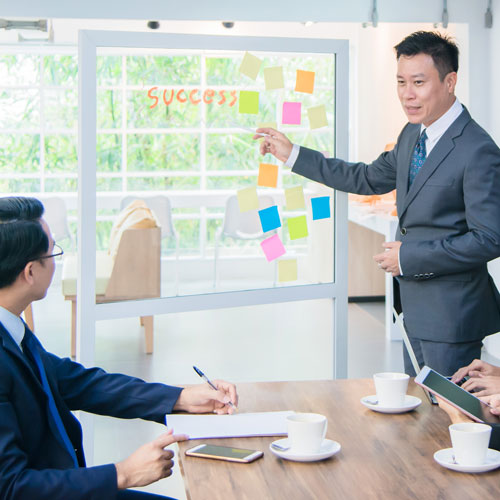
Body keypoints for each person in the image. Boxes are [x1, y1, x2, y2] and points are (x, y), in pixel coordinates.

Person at [254, 31, 500, 376]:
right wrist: (292, 154)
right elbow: (366, 178)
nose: (407, 95)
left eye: (418, 82)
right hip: (412, 309)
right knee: (418, 419)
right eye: (401, 82)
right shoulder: (412, 134)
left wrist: (408, 256)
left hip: (453, 316)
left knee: (448, 422)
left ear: (450, 81)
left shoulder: (478, 149)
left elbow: (489, 238)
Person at [0, 196, 239, 500]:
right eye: (53, 251)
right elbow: (10, 488)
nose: (57, 260)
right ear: (30, 272)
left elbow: (82, 383)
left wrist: (181, 397)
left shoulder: (12, 329)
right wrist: (123, 473)